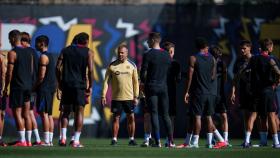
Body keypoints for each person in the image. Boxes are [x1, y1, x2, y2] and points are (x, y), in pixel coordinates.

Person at [184, 37, 226, 148]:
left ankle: (195, 143)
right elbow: (213, 76)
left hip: (199, 92)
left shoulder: (193, 58)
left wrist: (187, 92)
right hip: (211, 93)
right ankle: (209, 143)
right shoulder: (212, 59)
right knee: (208, 117)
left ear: (197, 47)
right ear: (205, 46)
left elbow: (189, 77)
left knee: (197, 117)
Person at [56, 32, 93, 148]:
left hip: (66, 84)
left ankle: (62, 138)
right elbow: (91, 70)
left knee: (65, 112)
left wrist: (60, 83)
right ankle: (75, 141)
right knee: (79, 112)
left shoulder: (65, 50)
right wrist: (90, 86)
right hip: (79, 86)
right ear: (86, 41)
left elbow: (57, 67)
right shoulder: (88, 52)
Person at [140, 32, 174, 147]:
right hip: (163, 87)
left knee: (154, 113)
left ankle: (158, 141)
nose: (147, 42)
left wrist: (143, 83)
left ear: (154, 40)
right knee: (165, 115)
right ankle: (171, 142)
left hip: (151, 87)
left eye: (148, 40)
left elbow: (143, 73)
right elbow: (169, 70)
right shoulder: (166, 55)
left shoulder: (147, 54)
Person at [102, 43, 139, 146]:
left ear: (127, 53)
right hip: (116, 98)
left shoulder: (132, 65)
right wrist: (103, 95)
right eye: (119, 53)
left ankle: (131, 139)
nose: (120, 54)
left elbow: (136, 83)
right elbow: (106, 82)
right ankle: (114, 139)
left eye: (122, 53)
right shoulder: (112, 65)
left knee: (131, 118)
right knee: (116, 118)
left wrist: (136, 96)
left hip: (129, 98)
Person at [3, 29, 33, 146]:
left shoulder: (12, 53)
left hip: (18, 86)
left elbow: (9, 73)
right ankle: (29, 141)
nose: (9, 41)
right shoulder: (29, 52)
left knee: (17, 112)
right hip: (28, 86)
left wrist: (6, 87)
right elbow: (31, 70)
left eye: (10, 38)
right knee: (27, 113)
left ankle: (22, 140)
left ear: (14, 39)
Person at [250, 38, 280, 148]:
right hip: (269, 90)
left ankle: (264, 141)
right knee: (272, 115)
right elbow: (278, 73)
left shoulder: (254, 59)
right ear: (269, 47)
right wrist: (276, 83)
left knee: (262, 116)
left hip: (257, 91)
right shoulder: (272, 59)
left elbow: (249, 73)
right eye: (272, 47)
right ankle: (276, 142)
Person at [230, 40, 257, 148]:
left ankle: (264, 139)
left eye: (244, 48)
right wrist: (233, 92)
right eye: (241, 48)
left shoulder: (255, 60)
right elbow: (235, 79)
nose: (242, 50)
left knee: (256, 115)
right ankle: (247, 139)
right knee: (246, 115)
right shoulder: (239, 62)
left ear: (249, 48)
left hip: (255, 92)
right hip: (244, 91)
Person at [33, 35, 56, 146]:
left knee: (44, 114)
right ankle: (50, 141)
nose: (35, 45)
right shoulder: (51, 56)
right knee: (49, 114)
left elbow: (41, 76)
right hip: (51, 88)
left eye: (36, 43)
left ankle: (46, 141)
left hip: (44, 88)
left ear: (42, 44)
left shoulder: (43, 57)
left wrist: (34, 86)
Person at [20, 32, 42, 145]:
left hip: (28, 86)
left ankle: (27, 140)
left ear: (23, 41)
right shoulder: (34, 52)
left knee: (27, 113)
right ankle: (36, 139)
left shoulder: (26, 52)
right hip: (33, 86)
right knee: (30, 112)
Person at [209, 46, 231, 146]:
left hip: (220, 94)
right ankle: (213, 140)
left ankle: (225, 140)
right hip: (212, 94)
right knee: (210, 117)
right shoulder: (209, 63)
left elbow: (225, 78)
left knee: (223, 116)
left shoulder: (222, 64)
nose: (219, 56)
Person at [162, 41, 181, 146]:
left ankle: (156, 139)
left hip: (160, 92)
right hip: (170, 92)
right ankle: (169, 140)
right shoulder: (175, 63)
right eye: (171, 51)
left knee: (162, 116)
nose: (172, 53)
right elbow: (178, 79)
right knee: (170, 117)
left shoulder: (158, 62)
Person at [0, 43, 6, 147]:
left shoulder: (2, 57)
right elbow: (4, 74)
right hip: (1, 88)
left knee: (1, 114)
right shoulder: (2, 57)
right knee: (1, 114)